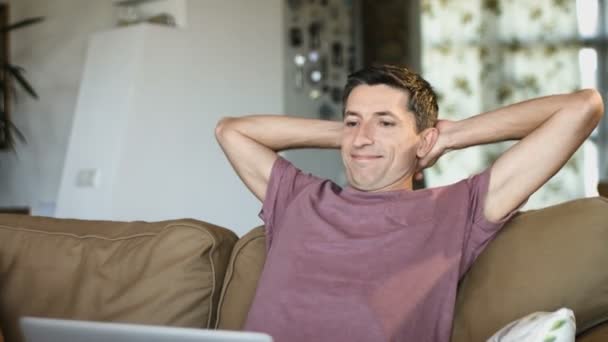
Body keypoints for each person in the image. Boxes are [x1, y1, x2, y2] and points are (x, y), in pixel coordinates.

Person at [214, 65, 604, 342]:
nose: (363, 137)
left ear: (423, 140)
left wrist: (450, 136)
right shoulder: (298, 197)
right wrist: (356, 133)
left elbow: (583, 107)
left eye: (386, 122)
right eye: (352, 120)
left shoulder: (459, 208)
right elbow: (231, 131)